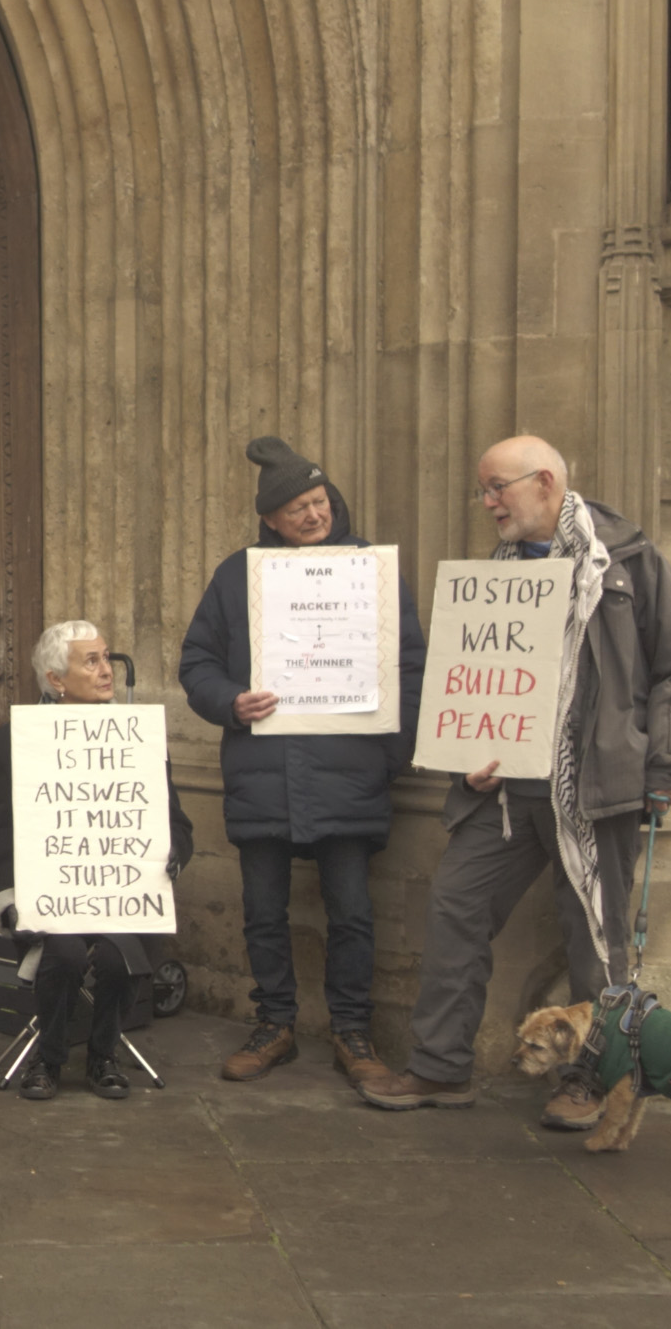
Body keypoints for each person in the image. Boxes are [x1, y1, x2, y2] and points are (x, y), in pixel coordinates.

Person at [358, 435, 671, 1127]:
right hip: (505, 790)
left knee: (596, 938)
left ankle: (592, 1080)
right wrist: (463, 748)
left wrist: (666, 767)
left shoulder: (627, 559)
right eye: (483, 490)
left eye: (498, 488)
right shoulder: (495, 575)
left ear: (544, 482)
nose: (488, 502)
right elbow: (466, 678)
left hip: (595, 788)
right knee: (456, 903)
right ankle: (440, 1065)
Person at [179, 437, 426, 1085]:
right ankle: (275, 1024)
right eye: (296, 508)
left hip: (350, 770)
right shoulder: (237, 575)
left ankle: (352, 1030)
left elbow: (409, 664)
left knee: (351, 911)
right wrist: (232, 701)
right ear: (270, 520)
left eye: (318, 501)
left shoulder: (371, 569)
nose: (313, 515)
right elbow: (196, 662)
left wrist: (390, 755)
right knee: (263, 910)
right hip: (263, 774)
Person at [0, 622, 193, 1100]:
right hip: (47, 895)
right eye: (90, 661)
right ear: (56, 679)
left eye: (107, 657)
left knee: (117, 957)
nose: (106, 670)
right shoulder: (15, 741)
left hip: (122, 896)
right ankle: (48, 1058)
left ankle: (103, 1056)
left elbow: (175, 821)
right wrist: (5, 898)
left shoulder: (138, 739)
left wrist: (174, 852)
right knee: (65, 954)